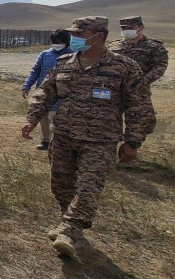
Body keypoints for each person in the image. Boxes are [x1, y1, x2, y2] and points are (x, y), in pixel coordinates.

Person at [22, 16, 156, 259]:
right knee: (61, 185)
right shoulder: (64, 63)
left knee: (88, 186)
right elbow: (46, 92)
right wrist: (32, 118)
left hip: (100, 141)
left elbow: (139, 106)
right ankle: (69, 223)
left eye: (80, 35)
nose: (74, 39)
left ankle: (70, 230)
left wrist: (133, 140)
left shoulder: (124, 67)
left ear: (99, 36)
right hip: (62, 136)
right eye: (73, 34)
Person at [21, 30, 74, 150]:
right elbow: (35, 71)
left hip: (64, 93)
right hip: (45, 91)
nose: (57, 44)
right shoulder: (45, 55)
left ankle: (60, 143)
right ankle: (45, 140)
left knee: (59, 117)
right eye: (54, 42)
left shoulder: (74, 55)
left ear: (66, 42)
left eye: (59, 42)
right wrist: (26, 86)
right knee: (44, 116)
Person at [108, 16, 168, 86]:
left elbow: (160, 66)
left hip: (138, 91)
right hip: (115, 87)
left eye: (130, 28)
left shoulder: (154, 46)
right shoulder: (113, 46)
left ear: (141, 28)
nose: (127, 30)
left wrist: (142, 82)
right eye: (124, 28)